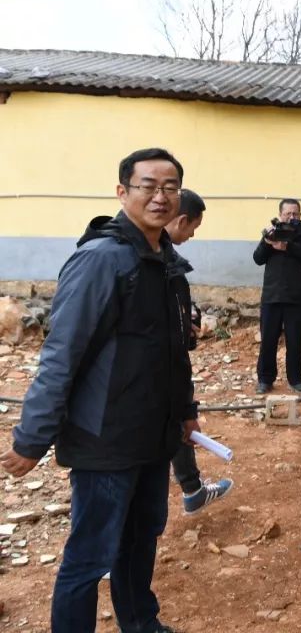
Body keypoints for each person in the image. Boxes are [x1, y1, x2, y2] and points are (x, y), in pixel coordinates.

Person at [1, 148, 197, 633]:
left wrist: (186, 411)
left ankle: (141, 624)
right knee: (90, 557)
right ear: (122, 192)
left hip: (154, 435)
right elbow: (61, 356)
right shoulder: (100, 261)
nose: (160, 196)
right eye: (148, 186)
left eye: (170, 187)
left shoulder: (167, 262)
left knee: (142, 539)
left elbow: (176, 350)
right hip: (104, 439)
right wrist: (32, 438)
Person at [164, 189, 234, 514]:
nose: (192, 235)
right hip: (149, 381)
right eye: (193, 228)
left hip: (167, 378)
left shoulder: (167, 262)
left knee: (176, 420)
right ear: (181, 219)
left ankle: (192, 488)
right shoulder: (140, 262)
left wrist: (184, 323)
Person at [253, 199, 301, 394]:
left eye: (295, 214)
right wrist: (267, 242)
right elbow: (257, 259)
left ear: (300, 215)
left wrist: (287, 247)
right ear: (280, 214)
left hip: (296, 297)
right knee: (268, 340)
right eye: (288, 214)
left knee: (295, 340)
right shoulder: (272, 232)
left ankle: (296, 379)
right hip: (272, 296)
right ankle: (265, 380)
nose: (292, 217)